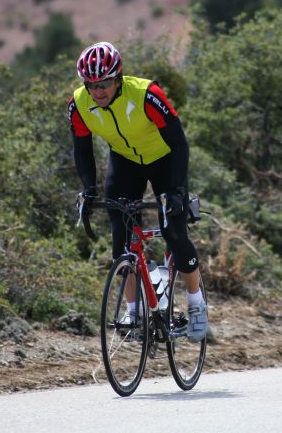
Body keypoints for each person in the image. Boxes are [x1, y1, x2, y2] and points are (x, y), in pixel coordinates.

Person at [68, 41, 208, 342]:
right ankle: (133, 311)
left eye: (104, 83)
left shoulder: (146, 95)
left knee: (174, 231)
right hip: (125, 164)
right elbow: (82, 150)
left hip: (164, 160)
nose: (98, 91)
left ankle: (196, 304)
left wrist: (178, 191)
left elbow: (179, 143)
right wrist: (88, 190)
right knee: (122, 242)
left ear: (118, 78)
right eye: (90, 85)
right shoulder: (79, 103)